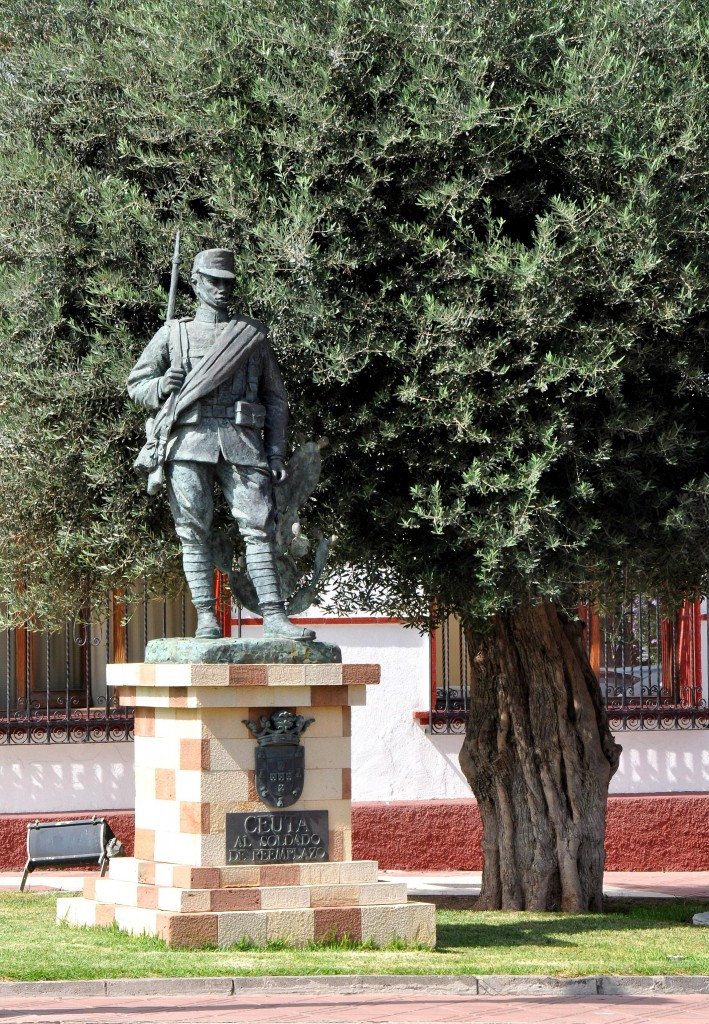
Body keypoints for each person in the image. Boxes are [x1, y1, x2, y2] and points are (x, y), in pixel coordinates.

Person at [127, 247, 315, 641]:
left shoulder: (251, 337)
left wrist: (276, 451)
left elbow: (275, 399)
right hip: (189, 442)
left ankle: (274, 618)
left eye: (228, 283)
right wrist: (162, 385)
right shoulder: (173, 334)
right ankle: (207, 619)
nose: (222, 290)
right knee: (192, 530)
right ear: (195, 283)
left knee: (259, 529)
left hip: (242, 442)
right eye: (213, 282)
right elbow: (137, 385)